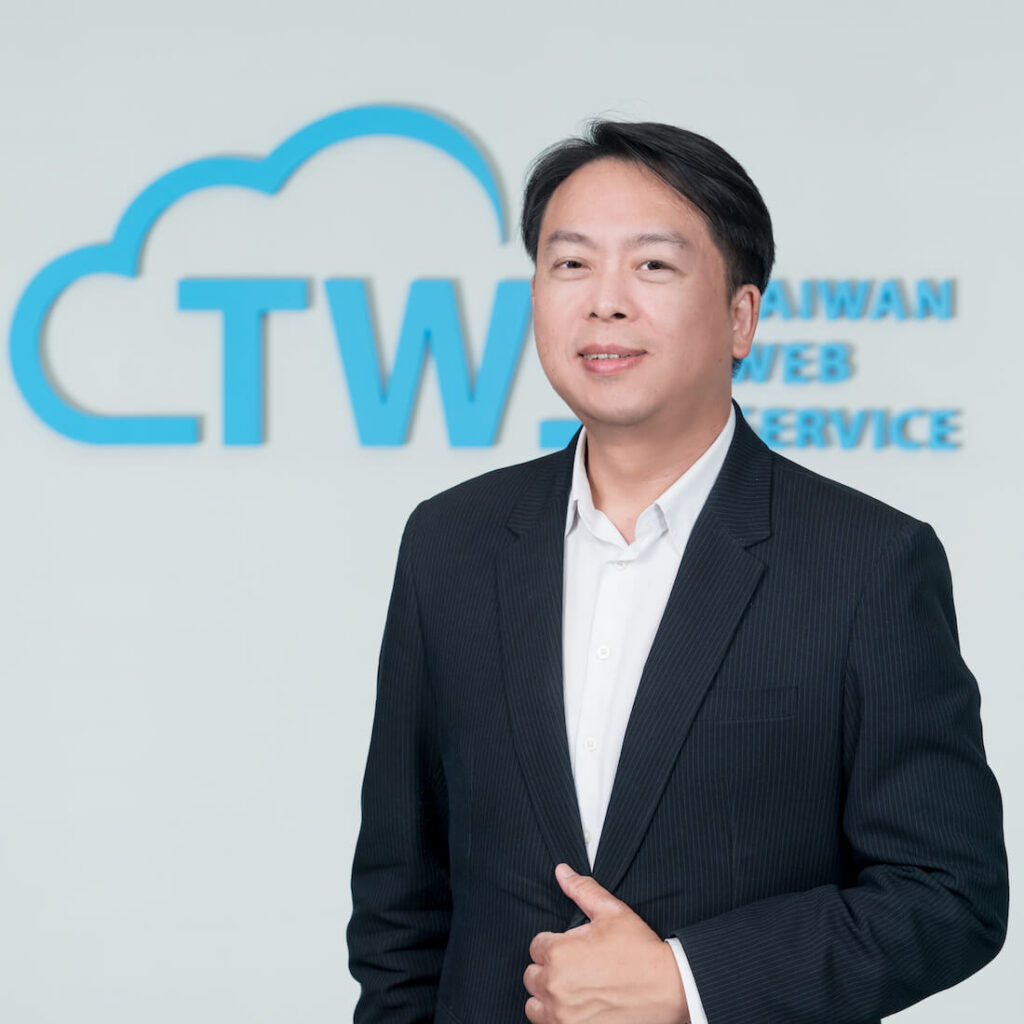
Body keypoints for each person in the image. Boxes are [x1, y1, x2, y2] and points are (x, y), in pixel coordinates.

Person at [347, 121, 1008, 1024]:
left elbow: (948, 893)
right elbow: (402, 904)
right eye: (570, 264)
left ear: (742, 317)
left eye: (652, 265)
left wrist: (688, 983)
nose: (604, 302)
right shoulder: (451, 543)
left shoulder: (867, 564)